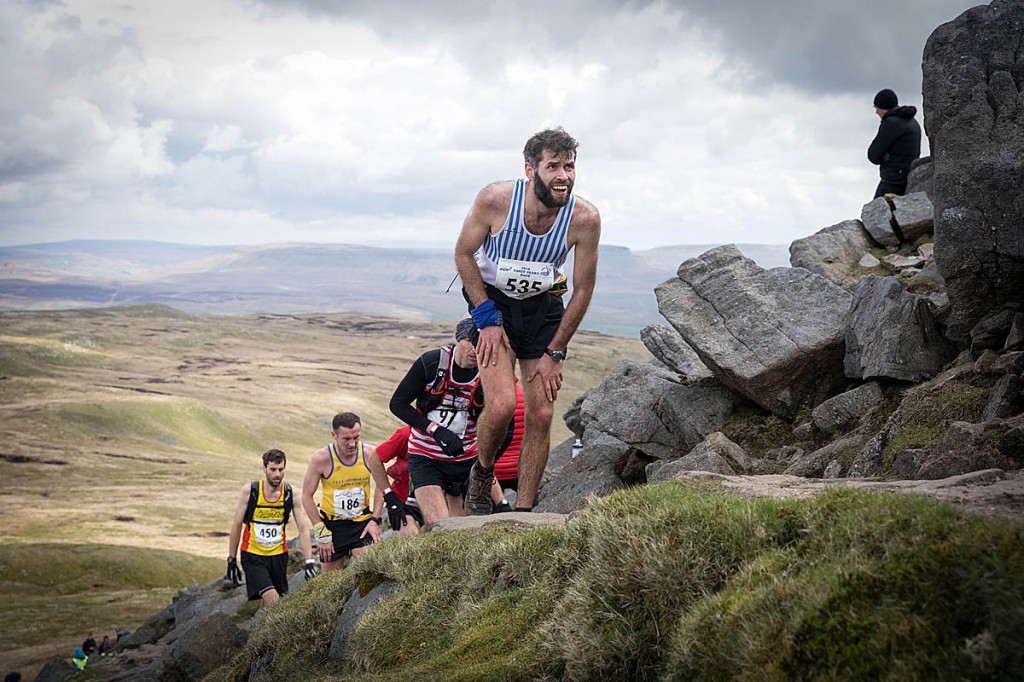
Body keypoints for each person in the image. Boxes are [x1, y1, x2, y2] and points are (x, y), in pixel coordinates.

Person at [454, 127, 601, 515]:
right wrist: (485, 318)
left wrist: (557, 349)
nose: (563, 176)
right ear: (529, 169)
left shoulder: (584, 219)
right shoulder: (495, 201)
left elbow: (583, 288)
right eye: (553, 166)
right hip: (494, 306)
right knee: (501, 405)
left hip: (542, 309)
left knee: (542, 412)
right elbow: (464, 254)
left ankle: (524, 513)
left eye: (569, 166)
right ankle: (483, 475)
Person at [389, 318, 483, 531]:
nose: (475, 349)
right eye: (470, 341)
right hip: (426, 456)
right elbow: (398, 403)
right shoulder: (432, 362)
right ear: (458, 340)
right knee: (441, 527)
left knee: (467, 531)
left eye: (480, 343)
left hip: (467, 459)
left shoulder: (489, 370)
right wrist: (436, 430)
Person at [301, 412, 406, 571]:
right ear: (334, 435)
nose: (352, 443)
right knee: (329, 583)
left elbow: (381, 484)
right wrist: (320, 531)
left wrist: (375, 519)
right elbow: (306, 496)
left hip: (362, 523)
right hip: (332, 527)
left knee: (374, 570)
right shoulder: (321, 458)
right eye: (346, 439)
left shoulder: (369, 454)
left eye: (356, 437)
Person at [227, 449, 315, 609]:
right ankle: (277, 633)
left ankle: (260, 633)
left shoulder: (291, 494)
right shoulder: (250, 491)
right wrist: (231, 560)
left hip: (278, 556)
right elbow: (237, 525)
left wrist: (309, 561)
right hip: (253, 555)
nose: (277, 474)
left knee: (270, 603)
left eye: (281, 469)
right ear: (264, 469)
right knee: (273, 598)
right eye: (273, 469)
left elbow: (303, 528)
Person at [867, 88, 922, 198]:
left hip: (893, 180)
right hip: (907, 174)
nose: (876, 111)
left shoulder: (891, 124)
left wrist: (885, 157)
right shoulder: (911, 121)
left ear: (883, 107)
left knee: (879, 212)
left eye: (877, 107)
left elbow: (874, 155)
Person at [375, 424, 424, 533]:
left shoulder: (452, 435)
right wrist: (390, 498)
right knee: (411, 543)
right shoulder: (405, 434)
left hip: (435, 501)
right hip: (404, 503)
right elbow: (375, 459)